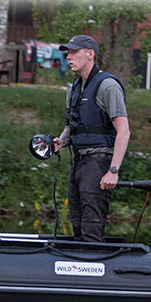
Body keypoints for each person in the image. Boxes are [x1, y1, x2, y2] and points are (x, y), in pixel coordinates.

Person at [52, 35, 130, 242]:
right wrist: (62, 141)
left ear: (90, 54)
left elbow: (124, 131)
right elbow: (72, 126)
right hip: (79, 162)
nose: (69, 57)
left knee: (91, 223)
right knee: (76, 220)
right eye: (68, 52)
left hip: (99, 162)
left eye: (74, 52)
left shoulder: (108, 86)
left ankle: (94, 262)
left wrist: (113, 171)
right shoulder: (74, 88)